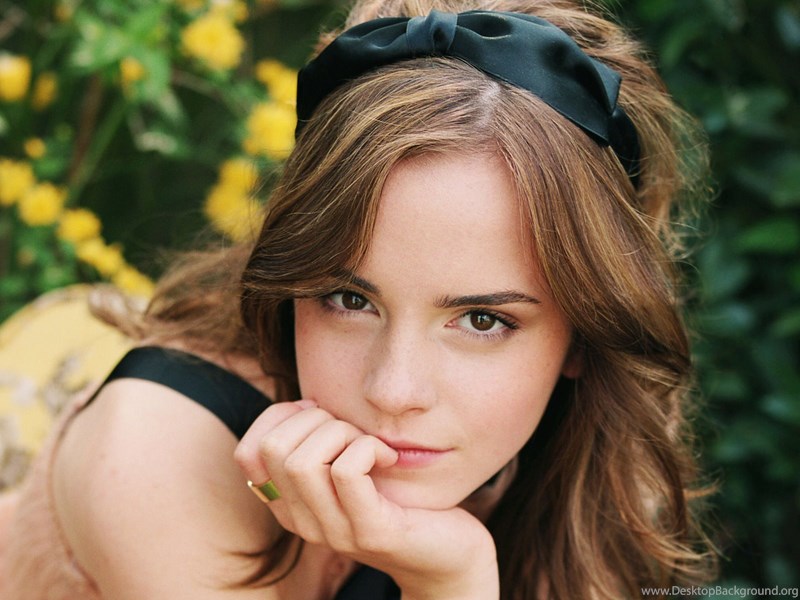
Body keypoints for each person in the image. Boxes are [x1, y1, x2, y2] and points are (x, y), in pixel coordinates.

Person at [0, 0, 717, 597]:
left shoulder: (574, 472)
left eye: (481, 320)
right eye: (348, 299)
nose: (394, 391)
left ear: (584, 337)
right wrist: (453, 581)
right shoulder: (159, 457)